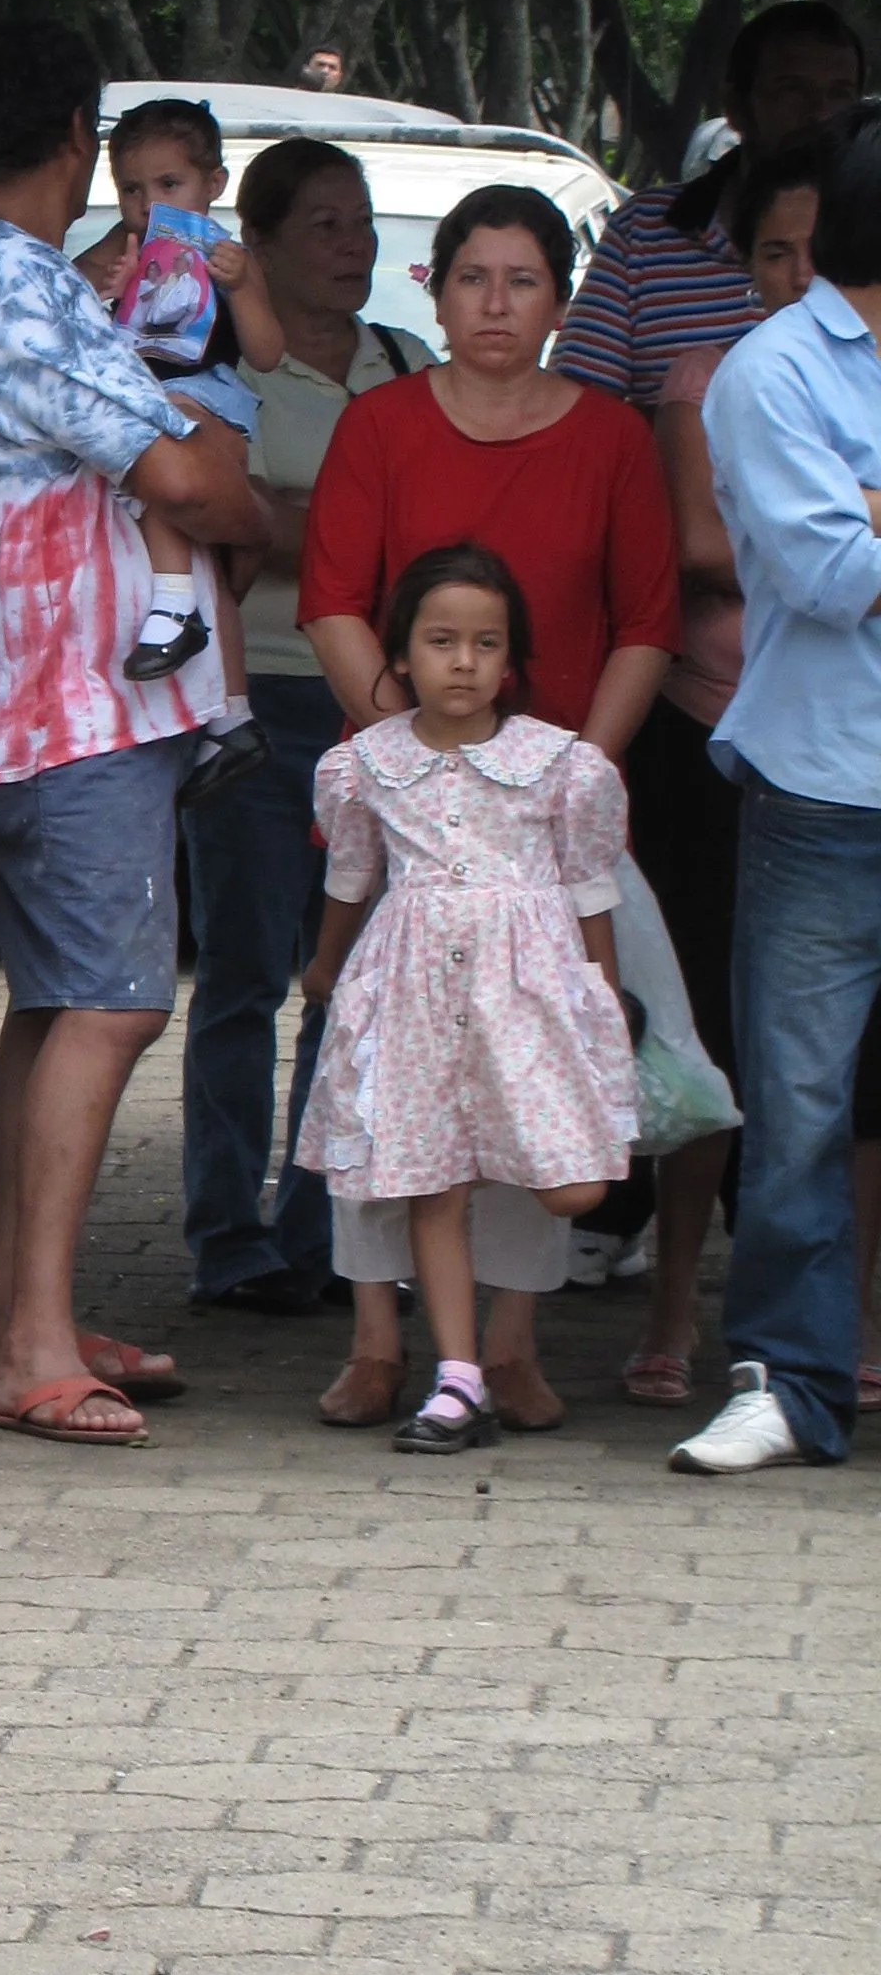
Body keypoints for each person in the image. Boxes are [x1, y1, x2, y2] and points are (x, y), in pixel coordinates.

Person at [0, 18, 265, 1446]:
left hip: (13, 699)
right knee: (111, 1003)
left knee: (56, 1006)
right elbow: (190, 480)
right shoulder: (27, 287)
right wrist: (240, 491)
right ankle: (33, 1343)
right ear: (76, 139)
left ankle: (15, 1321)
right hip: (74, 704)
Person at [300, 186, 675, 1430]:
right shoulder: (381, 424)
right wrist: (406, 738)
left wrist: (561, 773)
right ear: (437, 288)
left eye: (523, 281)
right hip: (408, 815)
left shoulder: (612, 437)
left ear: (561, 301)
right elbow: (333, 599)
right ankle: (375, 1341)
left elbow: (647, 622)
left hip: (543, 822)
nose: (496, 304)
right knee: (378, 1087)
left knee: (534, 1082)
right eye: (473, 278)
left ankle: (510, 1345)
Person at [296, 547, 637, 1455]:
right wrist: (325, 968)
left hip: (525, 996)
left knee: (571, 1184)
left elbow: (591, 888)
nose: (464, 662)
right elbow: (351, 876)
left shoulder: (559, 764)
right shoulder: (366, 764)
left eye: (487, 644)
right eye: (441, 641)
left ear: (511, 660)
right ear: (401, 655)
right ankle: (458, 1380)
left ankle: (504, 1346)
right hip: (410, 989)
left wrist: (600, 995)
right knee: (432, 1181)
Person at [673, 99, 881, 1477]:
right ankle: (791, 1383)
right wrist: (856, 525)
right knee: (800, 1114)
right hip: (826, 787)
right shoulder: (772, 370)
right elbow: (829, 573)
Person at [180, 138, 418, 1316]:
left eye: (361, 222)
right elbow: (229, 521)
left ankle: (328, 1234)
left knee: (358, 977)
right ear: (259, 245)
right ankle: (229, 1234)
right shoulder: (226, 369)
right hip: (260, 696)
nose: (352, 245)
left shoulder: (405, 366)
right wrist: (342, 526)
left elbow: (414, 539)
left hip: (377, 710)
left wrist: (297, 520)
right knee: (243, 974)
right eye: (323, 224)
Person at [632, 130, 835, 1404]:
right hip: (713, 727)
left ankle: (846, 1319)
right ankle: (674, 1308)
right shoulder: (712, 376)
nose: (796, 273)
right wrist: (836, 533)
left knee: (841, 1065)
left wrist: (815, 536)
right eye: (772, 251)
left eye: (818, 249)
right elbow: (704, 550)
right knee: (704, 1028)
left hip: (843, 748)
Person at [556, 0, 865, 414]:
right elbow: (578, 413)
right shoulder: (644, 231)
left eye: (840, 94)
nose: (820, 114)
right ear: (737, 107)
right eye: (792, 90)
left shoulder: (871, 237)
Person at [87, 97, 283, 740]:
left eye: (169, 184)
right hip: (146, 392)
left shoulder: (227, 257)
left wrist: (242, 286)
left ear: (214, 183)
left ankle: (173, 608)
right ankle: (231, 713)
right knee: (207, 565)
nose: (149, 204)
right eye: (131, 189)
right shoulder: (129, 253)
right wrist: (114, 291)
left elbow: (266, 353)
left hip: (203, 396)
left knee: (159, 459)